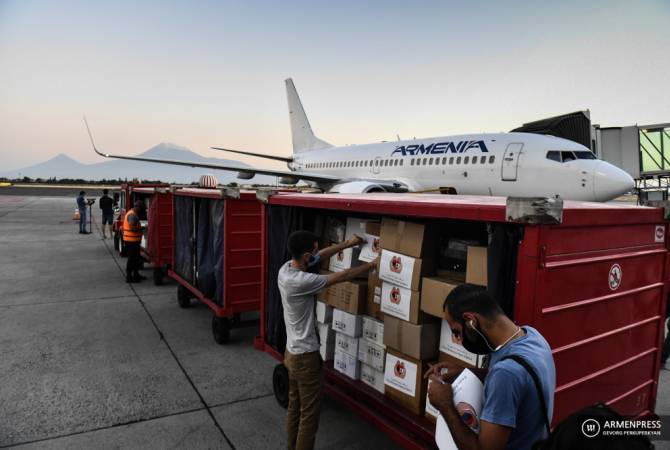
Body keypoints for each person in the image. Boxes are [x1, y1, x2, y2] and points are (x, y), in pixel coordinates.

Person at [278, 230, 377, 450]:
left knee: (295, 407)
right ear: (304, 256)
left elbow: (319, 256)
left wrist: (347, 244)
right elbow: (340, 276)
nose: (315, 253)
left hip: (291, 353)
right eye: (312, 249)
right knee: (309, 416)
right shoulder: (302, 281)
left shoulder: (285, 270)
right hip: (306, 357)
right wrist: (371, 266)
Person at [427, 284, 556, 450]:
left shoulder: (505, 375)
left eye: (457, 332)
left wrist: (444, 404)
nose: (457, 340)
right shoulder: (531, 336)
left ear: (471, 321)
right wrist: (468, 372)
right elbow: (522, 380)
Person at [123, 200, 146, 283]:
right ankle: (129, 277)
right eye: (140, 208)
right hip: (131, 241)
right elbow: (133, 228)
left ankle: (136, 275)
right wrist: (142, 228)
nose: (141, 210)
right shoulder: (132, 215)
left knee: (136, 259)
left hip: (133, 241)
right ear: (137, 207)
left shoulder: (132, 213)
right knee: (132, 259)